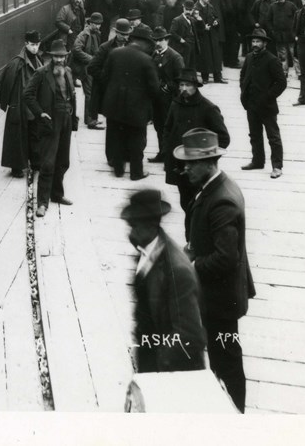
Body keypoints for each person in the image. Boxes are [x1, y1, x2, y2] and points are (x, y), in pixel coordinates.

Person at [175, 128, 256, 412]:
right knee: (223, 359)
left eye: (191, 162)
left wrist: (191, 265)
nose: (185, 168)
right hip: (217, 297)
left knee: (228, 363)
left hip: (222, 301)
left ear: (209, 162)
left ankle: (236, 416)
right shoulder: (212, 187)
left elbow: (225, 258)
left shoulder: (222, 199)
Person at [121, 189, 207, 374]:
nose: (131, 232)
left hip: (174, 370)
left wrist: (159, 364)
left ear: (151, 225)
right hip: (151, 357)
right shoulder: (146, 250)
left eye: (134, 226)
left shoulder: (178, 271)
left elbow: (189, 334)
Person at [22, 39, 77, 217]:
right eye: (56, 57)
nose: (60, 60)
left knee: (63, 161)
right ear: (51, 57)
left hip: (66, 121)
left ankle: (57, 195)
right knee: (47, 163)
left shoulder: (68, 71)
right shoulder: (41, 73)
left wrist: (73, 117)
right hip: (50, 122)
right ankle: (42, 203)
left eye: (62, 57)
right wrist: (40, 114)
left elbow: (71, 96)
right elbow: (27, 95)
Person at [101, 23, 161, 180]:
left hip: (114, 105)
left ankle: (119, 169)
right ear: (146, 44)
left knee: (117, 137)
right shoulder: (147, 60)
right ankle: (136, 172)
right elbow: (154, 88)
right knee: (136, 140)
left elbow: (104, 77)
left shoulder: (115, 53)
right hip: (137, 108)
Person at [163, 76, 231, 212]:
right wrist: (167, 150)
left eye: (188, 85)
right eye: (181, 85)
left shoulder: (208, 108)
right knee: (185, 203)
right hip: (179, 164)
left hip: (199, 167)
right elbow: (167, 129)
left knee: (200, 206)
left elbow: (223, 138)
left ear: (196, 86)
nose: (183, 89)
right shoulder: (175, 104)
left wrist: (207, 159)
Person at [239, 27, 285, 178]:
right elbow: (243, 75)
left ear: (264, 43)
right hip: (251, 104)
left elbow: (281, 82)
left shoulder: (272, 60)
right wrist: (244, 92)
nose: (255, 44)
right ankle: (257, 161)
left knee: (273, 136)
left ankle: (277, 167)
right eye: (253, 41)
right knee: (254, 135)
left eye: (258, 41)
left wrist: (268, 97)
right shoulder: (249, 57)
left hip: (267, 106)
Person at [0, 30, 43, 177]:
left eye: (37, 44)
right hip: (20, 105)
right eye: (32, 45)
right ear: (26, 44)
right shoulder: (16, 63)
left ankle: (36, 163)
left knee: (34, 135)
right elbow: (7, 84)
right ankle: (17, 167)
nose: (35, 48)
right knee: (18, 137)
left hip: (33, 106)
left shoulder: (39, 60)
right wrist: (8, 104)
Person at [88, 17, 133, 130]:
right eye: (122, 34)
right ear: (116, 32)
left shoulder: (132, 47)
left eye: (127, 34)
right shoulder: (105, 47)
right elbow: (92, 67)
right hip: (110, 91)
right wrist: (106, 78)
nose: (125, 37)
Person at [149, 27, 184, 162]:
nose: (158, 43)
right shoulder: (155, 54)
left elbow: (181, 80)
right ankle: (162, 153)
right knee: (159, 126)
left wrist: (167, 87)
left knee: (168, 128)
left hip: (170, 100)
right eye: (156, 40)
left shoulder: (175, 57)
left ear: (167, 40)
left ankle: (169, 156)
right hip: (157, 99)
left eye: (161, 40)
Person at [70, 12, 104, 128]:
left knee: (92, 93)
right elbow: (76, 49)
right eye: (96, 24)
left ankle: (91, 118)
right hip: (84, 68)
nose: (98, 26)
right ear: (91, 23)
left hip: (90, 66)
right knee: (90, 94)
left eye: (99, 24)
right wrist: (91, 59)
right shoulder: (84, 34)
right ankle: (90, 121)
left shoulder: (95, 33)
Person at [268, 0, 297, 76]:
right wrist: (272, 31)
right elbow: (268, 20)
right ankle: (284, 72)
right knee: (282, 56)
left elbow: (297, 18)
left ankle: (299, 73)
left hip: (291, 34)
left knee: (295, 55)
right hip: (279, 35)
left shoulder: (291, 6)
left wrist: (296, 32)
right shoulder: (273, 7)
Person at [197, 0, 224, 83]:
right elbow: (193, 22)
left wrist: (217, 21)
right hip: (203, 36)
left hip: (212, 35)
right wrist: (203, 27)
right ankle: (205, 77)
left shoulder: (210, 6)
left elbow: (217, 17)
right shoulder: (197, 8)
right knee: (206, 56)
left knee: (216, 56)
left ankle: (218, 77)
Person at [169, 0, 200, 79]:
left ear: (193, 10)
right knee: (184, 65)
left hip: (192, 45)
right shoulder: (177, 20)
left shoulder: (193, 19)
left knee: (192, 65)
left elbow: (201, 29)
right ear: (183, 8)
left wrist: (199, 19)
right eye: (187, 9)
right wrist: (181, 39)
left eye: (190, 10)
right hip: (183, 46)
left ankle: (192, 81)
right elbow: (172, 32)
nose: (188, 12)